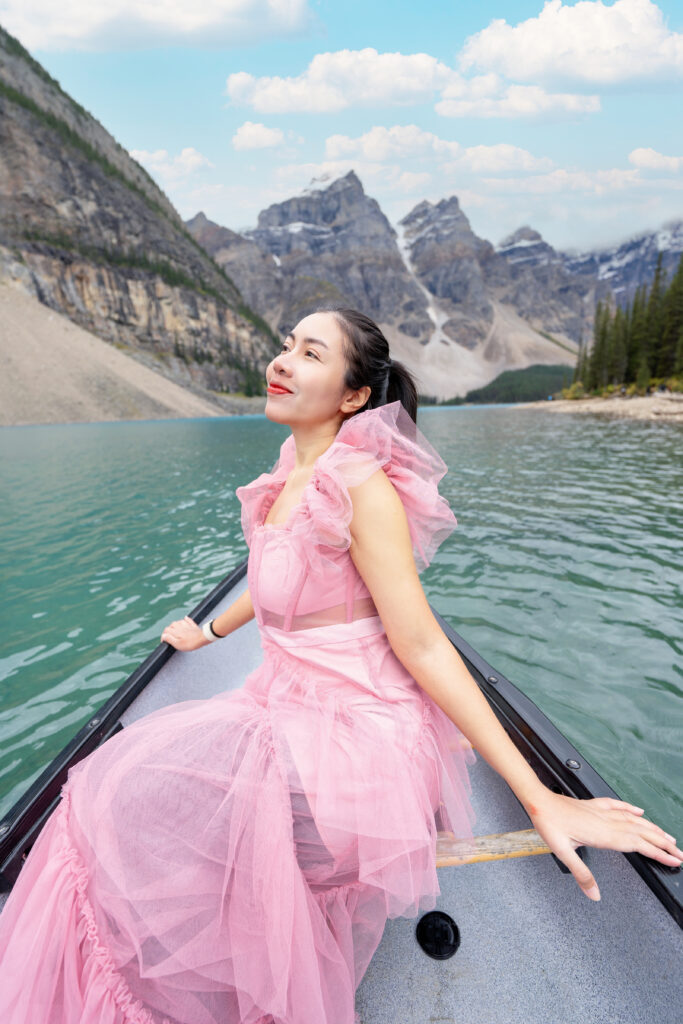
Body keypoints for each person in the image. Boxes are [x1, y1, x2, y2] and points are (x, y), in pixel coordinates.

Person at [0, 307, 680, 1024]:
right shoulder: (290, 470)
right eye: (285, 345)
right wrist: (206, 631)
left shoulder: (358, 487)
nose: (283, 360)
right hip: (285, 701)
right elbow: (271, 582)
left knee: (107, 796)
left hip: (355, 737)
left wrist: (542, 798)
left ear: (353, 397)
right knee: (116, 802)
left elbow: (421, 644)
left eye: (310, 353)